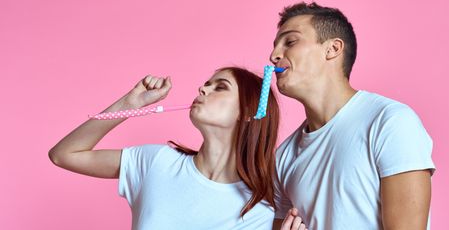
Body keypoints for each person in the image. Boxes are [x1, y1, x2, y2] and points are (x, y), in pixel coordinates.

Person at [49, 67, 280, 230]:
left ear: (249, 112)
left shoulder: (258, 212)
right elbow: (64, 155)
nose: (202, 89)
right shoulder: (157, 161)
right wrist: (129, 105)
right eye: (207, 84)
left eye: (220, 87)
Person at [270, 2, 435, 230]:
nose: (274, 56)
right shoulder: (283, 158)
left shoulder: (391, 123)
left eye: (290, 42)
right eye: (276, 46)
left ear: (333, 49)